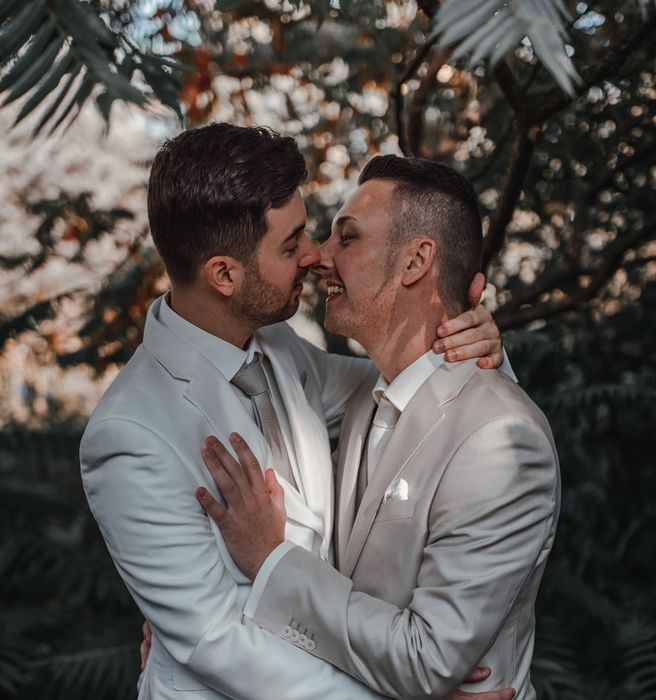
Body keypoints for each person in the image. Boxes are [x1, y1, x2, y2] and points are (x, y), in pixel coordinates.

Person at [80, 124, 514, 700]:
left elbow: (410, 391)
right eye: (291, 245)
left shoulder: (278, 349)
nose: (315, 256)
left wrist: (475, 346)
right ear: (224, 275)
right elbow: (216, 639)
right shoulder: (128, 434)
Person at [197, 155, 561, 699]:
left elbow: (427, 662)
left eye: (348, 237)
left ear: (415, 260)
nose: (319, 256)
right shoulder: (365, 397)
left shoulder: (500, 441)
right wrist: (182, 635)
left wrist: (273, 562)